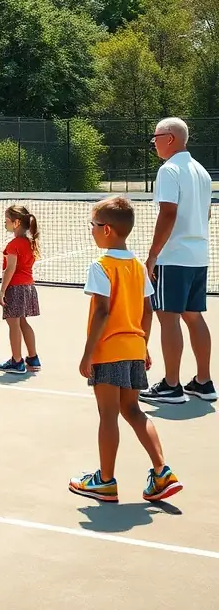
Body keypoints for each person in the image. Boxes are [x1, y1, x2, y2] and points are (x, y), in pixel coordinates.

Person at [70, 196, 182, 504]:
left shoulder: (101, 266)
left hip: (109, 349)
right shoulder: (138, 266)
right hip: (134, 347)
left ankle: (105, 482)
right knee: (132, 410)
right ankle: (162, 472)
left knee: (108, 414)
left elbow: (103, 312)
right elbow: (147, 310)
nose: (90, 230)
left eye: (93, 225)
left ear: (106, 230)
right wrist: (143, 344)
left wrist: (87, 353)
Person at [140, 117, 215, 404]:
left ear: (169, 138)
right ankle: (203, 382)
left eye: (155, 137)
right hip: (198, 256)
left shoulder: (169, 170)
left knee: (168, 318)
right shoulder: (201, 172)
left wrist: (153, 254)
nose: (153, 143)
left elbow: (168, 213)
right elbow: (206, 214)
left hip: (173, 258)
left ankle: (172, 386)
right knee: (194, 317)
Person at [0, 204, 41, 375]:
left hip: (15, 288)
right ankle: (33, 357)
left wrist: (2, 291)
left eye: (7, 221)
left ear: (16, 223)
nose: (4, 223)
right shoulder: (29, 242)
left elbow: (10, 268)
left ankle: (17, 361)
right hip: (28, 286)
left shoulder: (14, 244)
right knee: (22, 322)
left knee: (13, 323)